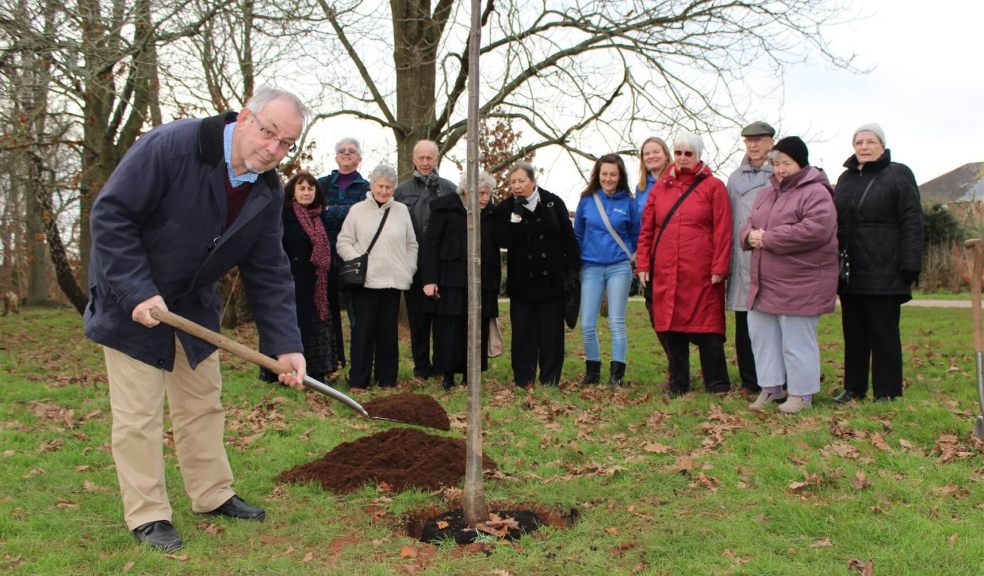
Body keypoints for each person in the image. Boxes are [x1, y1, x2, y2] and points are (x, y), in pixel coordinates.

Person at [84, 86, 309, 552]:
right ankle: (148, 515)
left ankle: (212, 494)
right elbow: (111, 216)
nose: (274, 148)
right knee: (139, 416)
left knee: (203, 403)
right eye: (269, 132)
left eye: (287, 143)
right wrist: (137, 290)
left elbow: (268, 269)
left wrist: (286, 345)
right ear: (245, 117)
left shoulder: (266, 190)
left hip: (192, 306)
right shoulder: (173, 145)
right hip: (132, 299)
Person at [740, 137, 838, 413]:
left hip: (802, 281)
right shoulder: (766, 193)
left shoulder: (816, 192)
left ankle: (801, 394)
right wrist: (749, 237)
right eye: (776, 163)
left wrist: (768, 238)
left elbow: (816, 229)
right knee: (761, 335)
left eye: (786, 163)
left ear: (801, 163)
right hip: (765, 281)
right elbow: (748, 226)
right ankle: (771, 388)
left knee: (797, 341)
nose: (780, 169)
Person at [636, 132, 732, 396]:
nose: (682, 158)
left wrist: (719, 267)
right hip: (667, 270)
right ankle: (678, 383)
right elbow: (647, 229)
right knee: (671, 327)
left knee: (708, 327)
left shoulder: (714, 187)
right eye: (678, 153)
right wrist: (643, 264)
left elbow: (723, 230)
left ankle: (717, 383)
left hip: (700, 271)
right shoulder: (661, 187)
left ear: (698, 156)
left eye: (688, 154)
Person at [832, 124, 923, 403]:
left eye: (870, 141)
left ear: (882, 145)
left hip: (887, 267)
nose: (864, 146)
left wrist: (910, 263)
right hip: (853, 268)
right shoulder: (845, 179)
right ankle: (854, 387)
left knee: (884, 333)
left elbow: (912, 220)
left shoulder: (898, 174)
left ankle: (887, 390)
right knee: (854, 332)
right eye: (859, 141)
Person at [494, 162, 579, 387]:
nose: (517, 186)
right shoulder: (506, 208)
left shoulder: (552, 202)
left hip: (552, 283)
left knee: (551, 336)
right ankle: (524, 379)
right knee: (523, 335)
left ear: (533, 181)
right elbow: (503, 241)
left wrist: (572, 272)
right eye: (513, 182)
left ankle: (550, 380)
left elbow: (569, 240)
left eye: (521, 181)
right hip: (522, 284)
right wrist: (515, 218)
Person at [336, 164, 418, 389]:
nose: (384, 191)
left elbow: (411, 244)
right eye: (380, 186)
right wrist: (359, 260)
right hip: (366, 283)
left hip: (392, 282)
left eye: (388, 187)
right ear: (372, 185)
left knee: (388, 335)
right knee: (363, 333)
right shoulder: (358, 210)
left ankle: (387, 380)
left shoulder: (401, 210)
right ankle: (359, 381)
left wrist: (408, 268)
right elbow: (343, 241)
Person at [421, 171, 501, 389]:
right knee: (449, 327)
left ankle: (470, 376)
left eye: (488, 193)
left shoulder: (492, 213)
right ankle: (447, 376)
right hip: (449, 279)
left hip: (481, 281)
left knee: (476, 326)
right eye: (481, 193)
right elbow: (431, 245)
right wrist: (430, 279)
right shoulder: (443, 208)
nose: (485, 198)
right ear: (467, 192)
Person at [574, 154, 640, 387]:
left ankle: (617, 375)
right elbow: (578, 234)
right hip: (591, 265)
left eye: (613, 174)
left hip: (619, 266)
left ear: (620, 176)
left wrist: (632, 259)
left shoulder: (629, 203)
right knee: (587, 322)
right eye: (604, 174)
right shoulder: (587, 200)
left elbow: (636, 235)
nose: (608, 178)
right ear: (597, 175)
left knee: (616, 321)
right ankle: (592, 371)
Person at [394, 140, 457, 379]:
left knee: (441, 320)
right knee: (418, 320)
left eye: (430, 158)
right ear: (413, 159)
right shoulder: (401, 191)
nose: (425, 162)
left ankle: (442, 365)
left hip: (443, 265)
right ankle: (421, 367)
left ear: (437, 159)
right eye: (421, 158)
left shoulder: (449, 189)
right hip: (414, 264)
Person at [726, 121, 775, 395]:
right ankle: (749, 379)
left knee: (771, 320)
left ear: (771, 142)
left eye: (759, 140)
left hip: (772, 254)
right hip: (741, 256)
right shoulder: (735, 178)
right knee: (744, 322)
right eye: (749, 140)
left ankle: (775, 378)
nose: (753, 145)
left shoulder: (780, 172)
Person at [318, 137, 372, 367]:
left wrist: (332, 211)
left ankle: (361, 363)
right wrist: (349, 212)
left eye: (352, 151)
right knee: (325, 312)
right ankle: (329, 361)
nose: (346, 153)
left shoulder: (368, 188)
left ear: (359, 158)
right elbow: (317, 213)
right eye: (342, 150)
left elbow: (365, 218)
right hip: (323, 254)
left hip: (354, 257)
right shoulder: (321, 184)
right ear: (336, 156)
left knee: (357, 314)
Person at [281, 172, 338, 382]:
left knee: (317, 327)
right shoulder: (284, 215)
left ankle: (317, 371)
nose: (306, 192)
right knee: (294, 326)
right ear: (293, 192)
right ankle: (285, 371)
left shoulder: (320, 215)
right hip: (294, 282)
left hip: (319, 283)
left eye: (310, 188)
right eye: (302, 188)